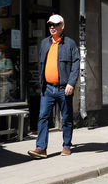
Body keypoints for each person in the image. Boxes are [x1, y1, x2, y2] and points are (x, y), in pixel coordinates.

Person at [28, 14, 80, 159]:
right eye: (50, 25)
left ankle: (66, 145)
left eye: (55, 24)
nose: (52, 27)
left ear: (62, 26)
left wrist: (71, 83)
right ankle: (41, 148)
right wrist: (41, 82)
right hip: (48, 88)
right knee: (43, 117)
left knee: (67, 117)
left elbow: (76, 64)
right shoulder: (45, 43)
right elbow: (41, 64)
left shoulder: (69, 43)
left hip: (64, 88)